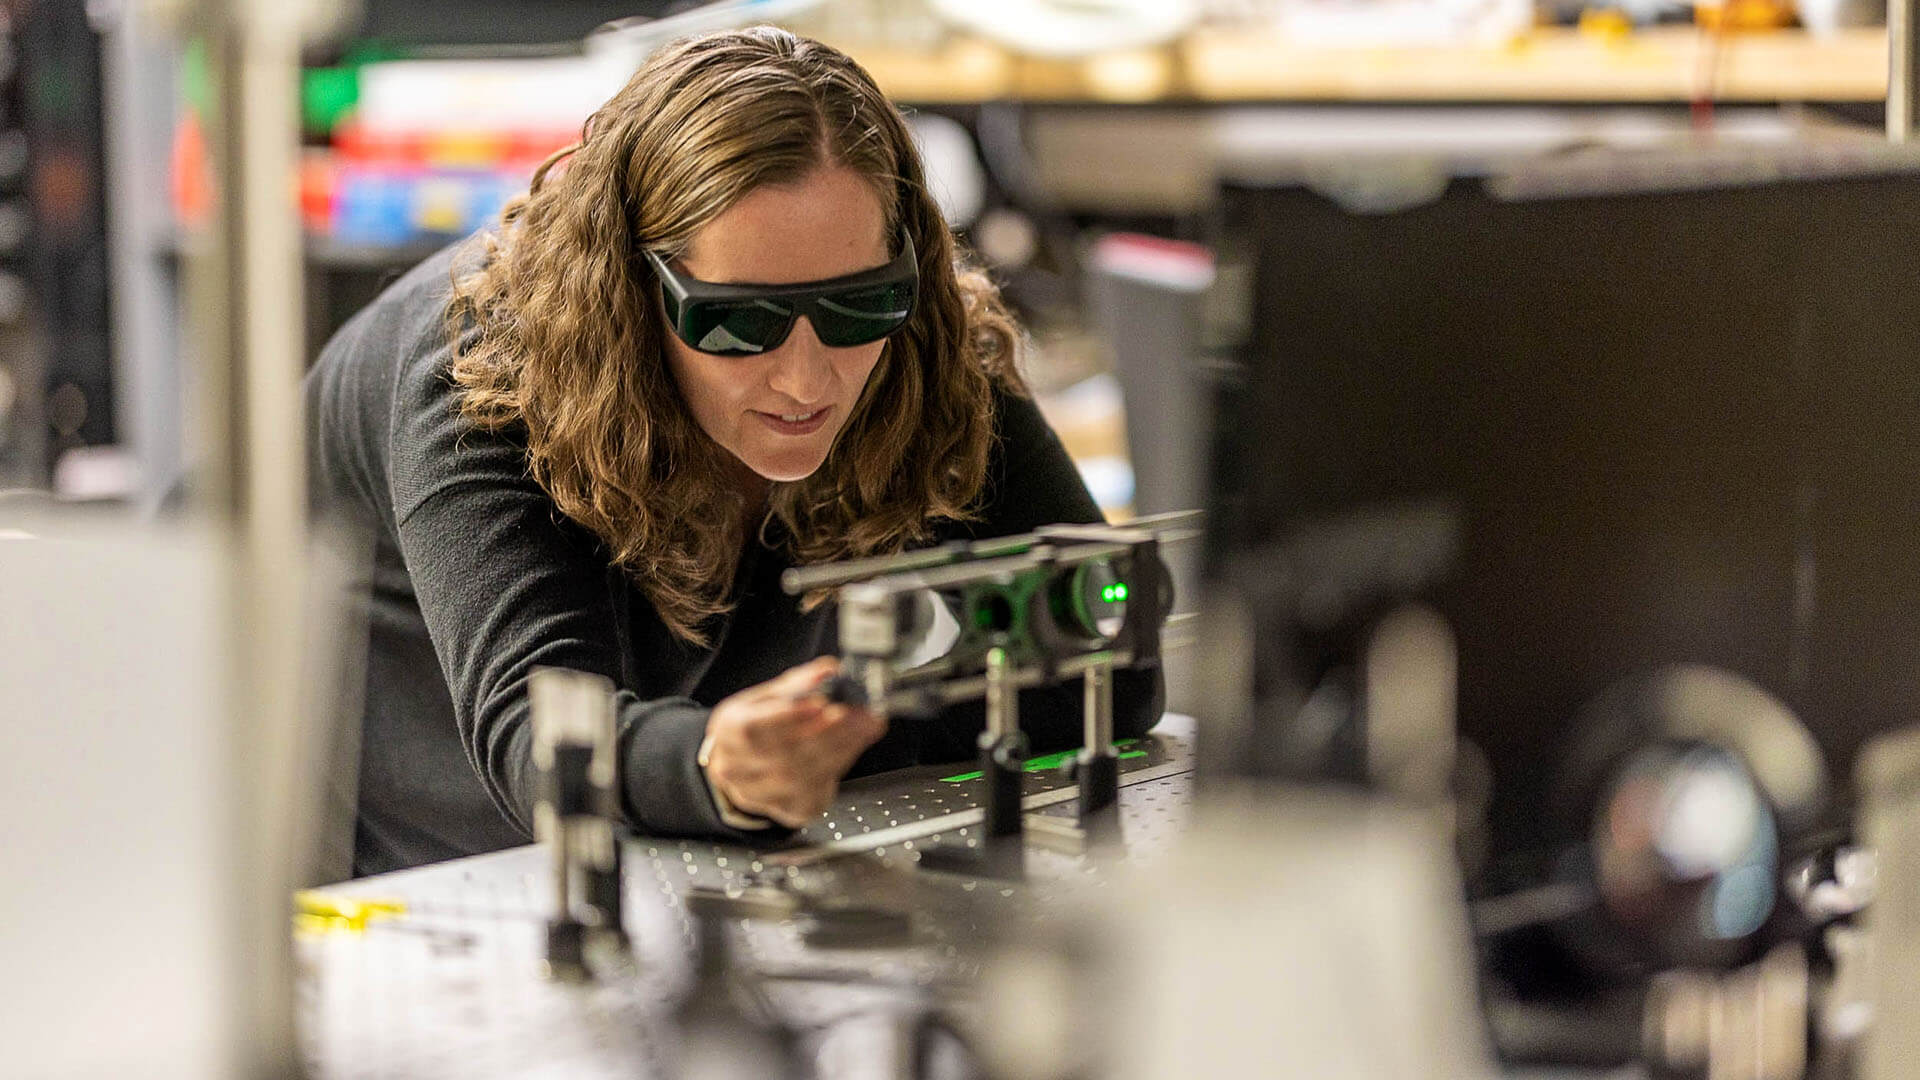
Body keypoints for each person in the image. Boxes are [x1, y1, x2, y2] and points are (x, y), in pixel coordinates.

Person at [306, 26, 1163, 877]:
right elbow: (537, 736)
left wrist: (819, 748)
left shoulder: (925, 346)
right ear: (630, 295)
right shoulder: (482, 372)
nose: (805, 380)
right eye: (738, 321)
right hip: (349, 822)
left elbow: (1107, 666)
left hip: (642, 830)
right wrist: (714, 766)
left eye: (856, 307)